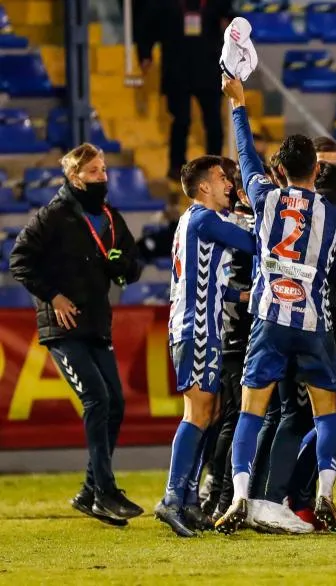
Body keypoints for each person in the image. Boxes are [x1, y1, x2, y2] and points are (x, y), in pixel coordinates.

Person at [215, 77, 336, 535]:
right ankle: (327, 498)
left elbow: (246, 153)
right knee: (326, 413)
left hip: (268, 319)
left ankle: (238, 498)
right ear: (316, 169)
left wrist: (238, 104)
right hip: (314, 324)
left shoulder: (262, 196)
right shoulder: (333, 215)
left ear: (282, 170)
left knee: (252, 411)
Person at [9, 143, 144, 525]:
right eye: (94, 172)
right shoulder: (52, 216)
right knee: (98, 400)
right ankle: (104, 490)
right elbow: (19, 260)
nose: (102, 177)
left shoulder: (111, 218)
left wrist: (124, 268)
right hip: (63, 327)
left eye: (103, 170)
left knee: (115, 402)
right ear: (74, 178)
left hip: (97, 323)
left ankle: (90, 493)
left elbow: (132, 264)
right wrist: (54, 297)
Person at [154, 155, 256, 537]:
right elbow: (253, 242)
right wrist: (257, 208)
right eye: (221, 177)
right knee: (197, 413)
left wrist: (241, 296)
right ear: (202, 187)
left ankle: (191, 500)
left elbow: (209, 279)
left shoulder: (193, 222)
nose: (229, 182)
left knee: (209, 412)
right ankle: (171, 498)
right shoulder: (204, 218)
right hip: (196, 329)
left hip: (201, 326)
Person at [200, 157, 253, 521]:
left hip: (241, 328)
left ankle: (217, 492)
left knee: (234, 416)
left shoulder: (230, 220)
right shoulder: (234, 224)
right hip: (238, 330)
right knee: (233, 416)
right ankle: (217, 495)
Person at [136, 0, 234, 180]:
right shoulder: (165, 5)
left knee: (213, 122)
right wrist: (145, 54)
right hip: (177, 70)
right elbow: (146, 26)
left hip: (208, 68)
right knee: (181, 120)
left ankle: (215, 166)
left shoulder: (215, 4)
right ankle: (176, 167)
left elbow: (231, 16)